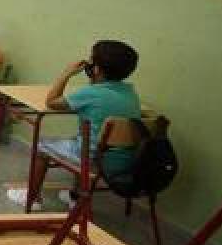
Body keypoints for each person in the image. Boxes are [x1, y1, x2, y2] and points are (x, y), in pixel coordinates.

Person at [9, 40, 142, 210]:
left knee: (42, 146)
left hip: (94, 160)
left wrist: (66, 74)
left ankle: (32, 198)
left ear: (96, 69)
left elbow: (51, 102)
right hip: (122, 160)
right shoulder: (131, 93)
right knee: (83, 141)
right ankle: (76, 196)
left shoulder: (91, 93)